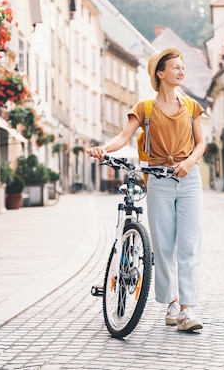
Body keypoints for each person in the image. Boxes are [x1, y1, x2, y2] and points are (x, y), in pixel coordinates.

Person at [87, 48, 205, 332]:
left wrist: (189, 163)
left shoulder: (191, 106)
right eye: (175, 67)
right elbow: (123, 137)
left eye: (182, 67)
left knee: (189, 245)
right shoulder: (145, 108)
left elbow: (201, 143)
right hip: (159, 180)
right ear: (160, 73)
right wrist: (104, 148)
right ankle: (172, 303)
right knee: (163, 247)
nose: (181, 71)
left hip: (189, 179)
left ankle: (187, 310)